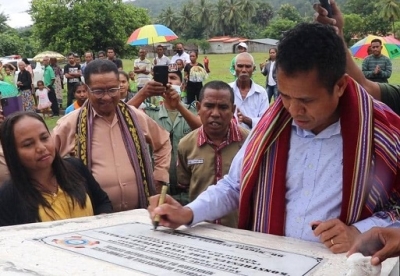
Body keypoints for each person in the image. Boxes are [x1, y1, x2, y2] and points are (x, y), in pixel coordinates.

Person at [148, 23, 400, 254]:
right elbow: (234, 185)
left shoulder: (382, 133)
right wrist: (189, 212)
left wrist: (360, 231)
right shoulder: (271, 126)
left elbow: (396, 210)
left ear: (341, 86)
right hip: (272, 262)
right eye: (285, 96)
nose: (293, 110)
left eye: (306, 100)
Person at [53, 59, 171, 212]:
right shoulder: (70, 124)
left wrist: (160, 175)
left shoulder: (135, 117)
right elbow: (47, 161)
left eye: (112, 90)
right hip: (93, 218)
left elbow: (163, 142)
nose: (107, 97)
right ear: (87, 90)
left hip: (139, 214)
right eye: (99, 91)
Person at [0, 112, 113, 226]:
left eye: (44, 138)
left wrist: (101, 222)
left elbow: (102, 202)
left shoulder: (76, 168)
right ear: (12, 152)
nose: (41, 148)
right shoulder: (8, 196)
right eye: (28, 144)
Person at [177, 81, 249, 226]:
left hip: (239, 233)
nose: (215, 114)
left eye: (223, 107)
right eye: (209, 106)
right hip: (199, 230)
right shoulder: (186, 145)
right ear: (198, 107)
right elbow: (183, 188)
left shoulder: (249, 144)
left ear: (233, 110)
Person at [314, 0, 400, 115]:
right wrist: (336, 33)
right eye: (373, 47)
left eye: (377, 47)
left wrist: (380, 73)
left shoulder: (385, 60)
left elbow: (387, 73)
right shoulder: (368, 60)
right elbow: (361, 85)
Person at [129, 69, 200, 204]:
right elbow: (123, 116)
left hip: (192, 191)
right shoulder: (150, 113)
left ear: (182, 85)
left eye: (173, 78)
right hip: (158, 191)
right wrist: (143, 93)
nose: (168, 82)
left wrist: (178, 105)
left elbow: (203, 130)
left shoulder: (194, 111)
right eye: (164, 79)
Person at [230, 52, 269, 130]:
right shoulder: (226, 90)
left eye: (248, 66)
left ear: (253, 69)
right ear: (234, 68)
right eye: (240, 66)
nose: (244, 70)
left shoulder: (261, 93)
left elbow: (266, 121)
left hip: (254, 139)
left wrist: (247, 120)